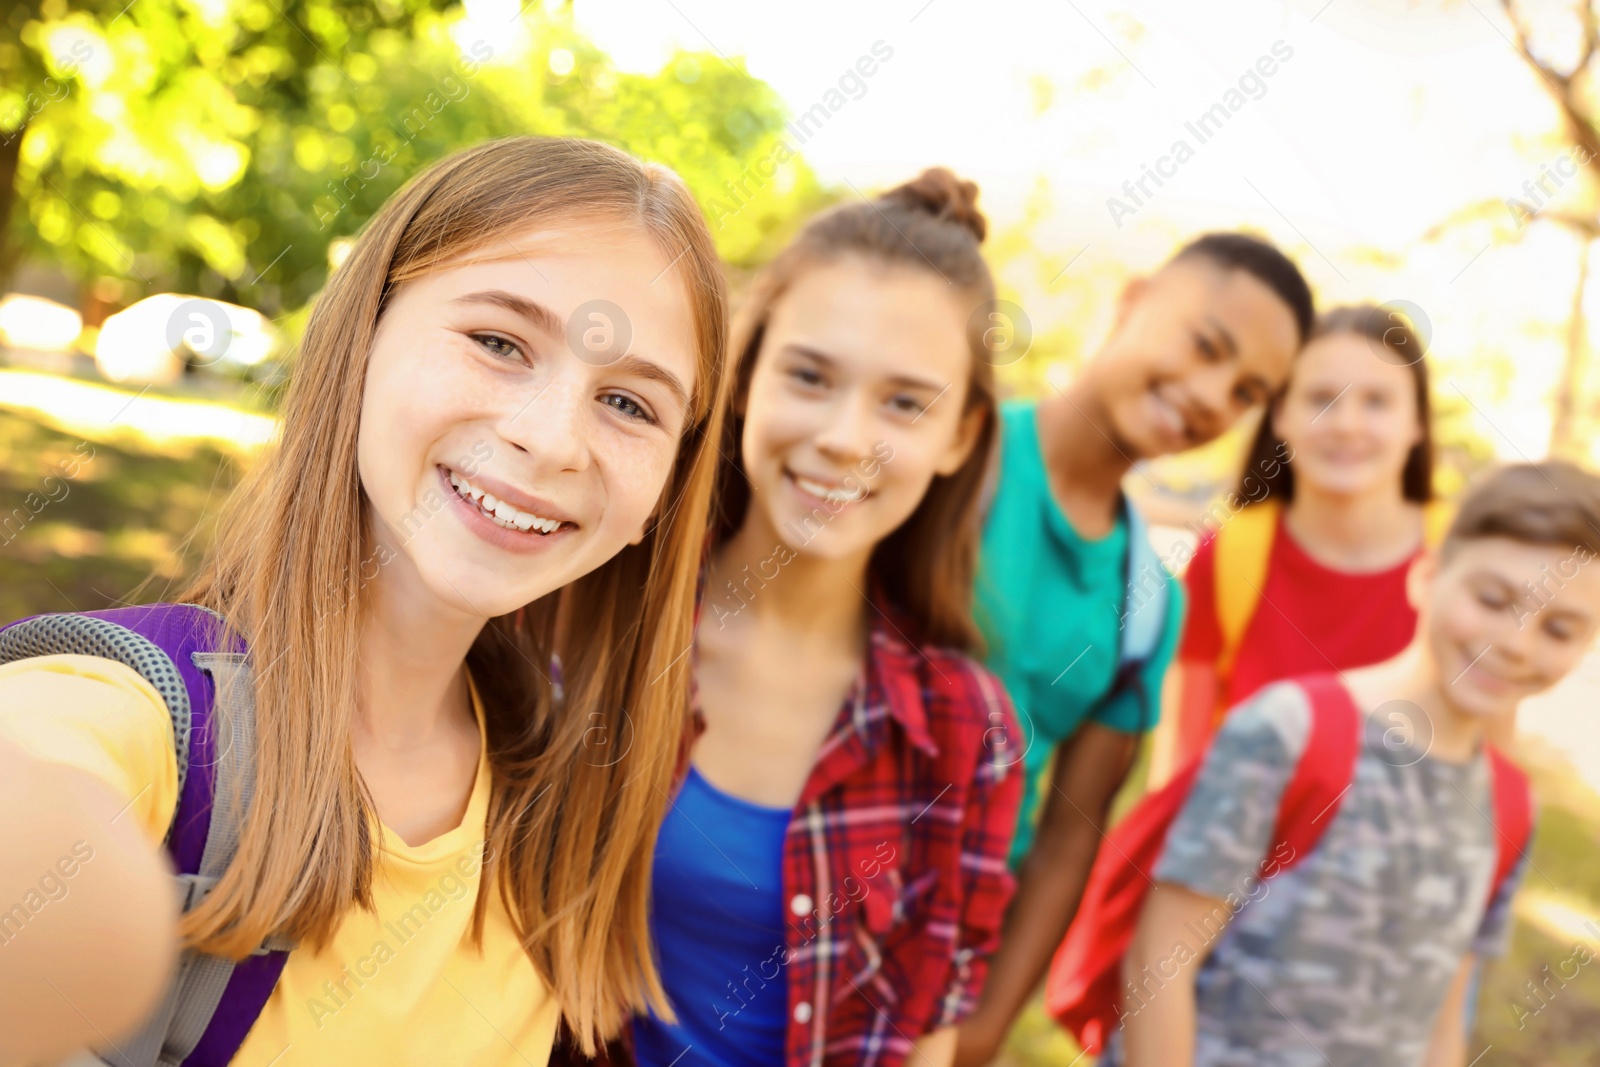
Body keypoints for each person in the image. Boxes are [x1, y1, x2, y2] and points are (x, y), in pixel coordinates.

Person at [0, 136, 731, 1067]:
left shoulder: (556, 795)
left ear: (666, 490)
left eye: (631, 404)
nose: (550, 440)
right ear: (363, 341)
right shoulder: (143, 716)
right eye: (500, 342)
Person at [629, 169, 1022, 1067]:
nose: (846, 436)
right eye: (809, 375)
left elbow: (930, 1031)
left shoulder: (969, 734)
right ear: (744, 377)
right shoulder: (600, 621)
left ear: (960, 436)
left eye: (903, 402)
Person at [955, 232, 1313, 1065]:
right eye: (1204, 346)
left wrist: (981, 1031)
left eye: (1245, 390)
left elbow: (1068, 838)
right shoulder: (952, 453)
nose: (1210, 397)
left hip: (942, 964)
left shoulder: (1152, 602)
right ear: (1132, 298)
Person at [1113, 461, 1600, 1067]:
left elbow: (1444, 1020)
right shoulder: (1290, 729)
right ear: (1427, 576)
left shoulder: (1510, 803)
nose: (1517, 643)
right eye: (1493, 599)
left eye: (1559, 629)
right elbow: (1157, 965)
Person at [1150, 303, 1448, 787]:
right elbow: (1181, 767)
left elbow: (1487, 762)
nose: (1347, 424)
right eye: (1322, 399)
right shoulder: (1225, 555)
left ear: (1416, 422)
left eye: (1376, 401)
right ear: (1280, 416)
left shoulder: (1458, 555)